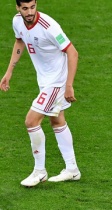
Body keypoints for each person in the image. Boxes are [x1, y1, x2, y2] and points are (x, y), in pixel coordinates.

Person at [0, 0, 80, 187]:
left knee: (31, 121)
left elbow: (72, 52)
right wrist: (9, 71)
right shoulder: (17, 21)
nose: (29, 12)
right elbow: (20, 40)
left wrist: (69, 85)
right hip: (44, 81)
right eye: (25, 8)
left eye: (32, 7)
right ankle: (72, 169)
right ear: (18, 8)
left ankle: (39, 172)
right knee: (57, 120)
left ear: (36, 5)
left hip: (57, 82)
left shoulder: (49, 26)